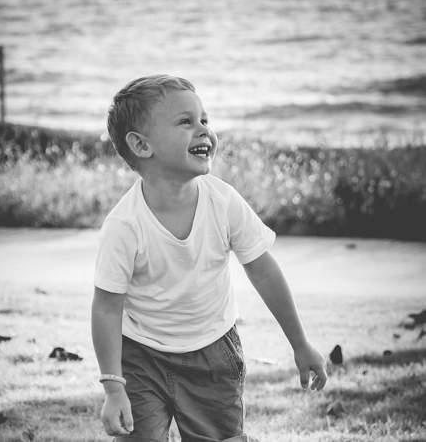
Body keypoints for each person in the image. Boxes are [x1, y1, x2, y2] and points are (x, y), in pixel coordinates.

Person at [91, 75, 327, 441]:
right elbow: (107, 308)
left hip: (213, 353)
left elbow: (264, 272)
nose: (204, 130)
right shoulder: (124, 225)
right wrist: (113, 386)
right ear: (141, 145)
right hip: (141, 357)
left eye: (205, 120)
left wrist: (300, 344)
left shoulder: (224, 202)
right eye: (186, 122)